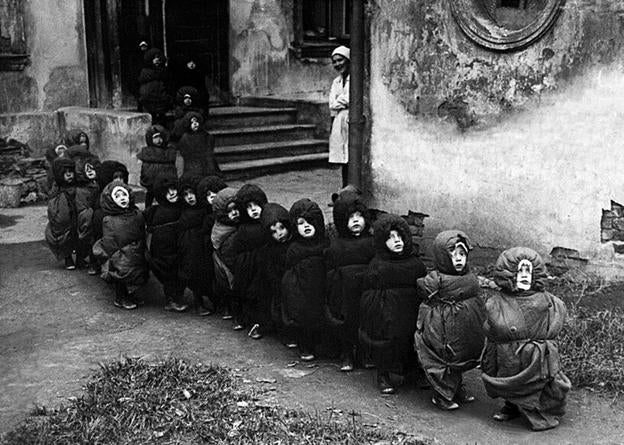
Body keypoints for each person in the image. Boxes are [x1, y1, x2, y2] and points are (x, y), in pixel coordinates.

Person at [481, 247, 570, 431]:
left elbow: (554, 324)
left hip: (537, 356)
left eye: (528, 271)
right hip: (510, 353)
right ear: (508, 273)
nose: (523, 275)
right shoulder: (498, 302)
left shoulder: (548, 302)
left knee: (539, 384)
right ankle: (511, 405)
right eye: (519, 270)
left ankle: (537, 407)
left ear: (535, 274)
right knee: (510, 377)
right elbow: (492, 328)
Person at [414, 230, 485, 410]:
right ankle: (441, 394)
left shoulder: (469, 277)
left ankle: (456, 387)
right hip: (442, 326)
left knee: (461, 354)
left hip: (464, 325)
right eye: (453, 255)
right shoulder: (436, 279)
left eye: (462, 254)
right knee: (443, 357)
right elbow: (424, 292)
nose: (459, 259)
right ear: (443, 257)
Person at [359, 213, 427, 394]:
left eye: (399, 236)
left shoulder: (415, 264)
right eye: (390, 238)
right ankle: (383, 374)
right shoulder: (378, 265)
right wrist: (378, 311)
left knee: (411, 339)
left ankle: (411, 371)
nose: (396, 241)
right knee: (387, 341)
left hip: (410, 309)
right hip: (387, 310)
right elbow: (370, 293)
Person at [324, 192, 375, 372]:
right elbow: (330, 269)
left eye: (359, 216)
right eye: (350, 217)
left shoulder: (371, 242)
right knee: (346, 323)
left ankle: (364, 352)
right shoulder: (336, 245)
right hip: (344, 291)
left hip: (365, 290)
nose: (355, 221)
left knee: (365, 322)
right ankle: (346, 353)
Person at [281, 198, 330, 362]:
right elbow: (289, 272)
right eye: (301, 223)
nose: (307, 226)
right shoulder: (294, 249)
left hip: (321, 287)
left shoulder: (325, 244)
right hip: (302, 289)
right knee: (304, 320)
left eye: (311, 222)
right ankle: (305, 346)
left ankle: (322, 344)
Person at [92, 182, 148, 310]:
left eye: (124, 194)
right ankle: (120, 297)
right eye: (117, 196)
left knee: (136, 273)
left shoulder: (137, 214)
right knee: (121, 275)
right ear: (111, 200)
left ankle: (131, 295)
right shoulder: (109, 220)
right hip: (120, 253)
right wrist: (115, 256)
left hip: (136, 250)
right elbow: (109, 241)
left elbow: (141, 231)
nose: (122, 198)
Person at [232, 184, 271, 339]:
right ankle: (252, 322)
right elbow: (238, 252)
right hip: (250, 268)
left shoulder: (267, 223)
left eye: (257, 205)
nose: (254, 209)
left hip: (266, 265)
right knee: (251, 296)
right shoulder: (243, 230)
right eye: (249, 207)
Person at [144, 174, 187, 312]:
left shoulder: (181, 207)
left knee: (179, 276)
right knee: (169, 276)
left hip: (179, 248)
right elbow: (159, 236)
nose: (172, 193)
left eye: (174, 189)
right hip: (165, 252)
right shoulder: (160, 212)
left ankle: (176, 298)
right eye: (167, 191)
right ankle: (171, 300)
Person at [259, 203, 297, 348]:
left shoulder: (294, 244)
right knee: (280, 311)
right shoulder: (269, 250)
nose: (279, 233)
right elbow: (269, 270)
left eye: (282, 228)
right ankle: (285, 334)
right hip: (278, 285)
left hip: (292, 283)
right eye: (274, 231)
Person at [177, 174, 213, 315]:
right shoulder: (184, 213)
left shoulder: (205, 209)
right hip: (191, 247)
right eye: (185, 194)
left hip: (205, 244)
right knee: (195, 274)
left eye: (192, 193)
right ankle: (198, 302)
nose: (190, 197)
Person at [45, 157, 85, 270]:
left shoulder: (77, 186)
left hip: (77, 215)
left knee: (80, 236)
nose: (69, 175)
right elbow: (52, 203)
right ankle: (68, 257)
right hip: (65, 217)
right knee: (66, 237)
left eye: (71, 172)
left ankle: (80, 258)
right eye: (65, 173)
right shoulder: (57, 187)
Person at [211, 187, 243, 328]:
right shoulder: (227, 232)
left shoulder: (228, 227)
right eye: (229, 211)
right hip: (227, 265)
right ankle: (237, 316)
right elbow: (229, 254)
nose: (234, 213)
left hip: (226, 263)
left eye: (236, 209)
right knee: (233, 290)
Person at [138, 125, 177, 208]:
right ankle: (147, 209)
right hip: (152, 181)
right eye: (155, 138)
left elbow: (171, 168)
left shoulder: (168, 152)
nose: (159, 140)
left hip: (164, 182)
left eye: (160, 137)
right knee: (150, 196)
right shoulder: (147, 153)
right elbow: (146, 169)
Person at [328, 45, 350, 187]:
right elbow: (332, 104)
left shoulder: (354, 79)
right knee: (342, 157)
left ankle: (350, 189)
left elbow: (349, 98)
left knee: (350, 156)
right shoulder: (336, 82)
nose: (337, 64)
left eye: (340, 60)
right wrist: (340, 101)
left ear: (348, 59)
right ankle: (344, 188)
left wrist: (339, 101)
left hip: (349, 119)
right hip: (339, 120)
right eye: (334, 61)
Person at [176, 111, 219, 177]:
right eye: (192, 122)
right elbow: (184, 152)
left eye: (196, 121)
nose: (195, 124)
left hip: (205, 160)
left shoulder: (206, 135)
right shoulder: (185, 138)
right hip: (192, 161)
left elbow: (209, 148)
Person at [138, 47, 172, 125]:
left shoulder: (164, 71)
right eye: (154, 58)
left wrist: (167, 97)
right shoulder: (145, 72)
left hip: (161, 100)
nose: (157, 60)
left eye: (158, 58)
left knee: (162, 120)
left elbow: (168, 85)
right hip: (148, 100)